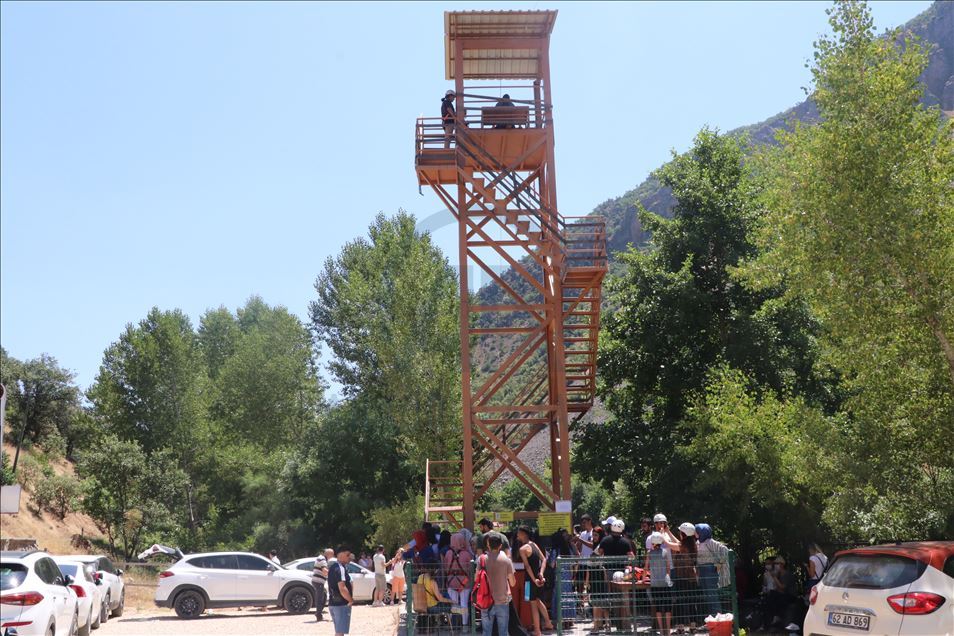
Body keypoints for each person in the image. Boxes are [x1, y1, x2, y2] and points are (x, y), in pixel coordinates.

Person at [516, 526, 553, 636]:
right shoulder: (534, 545)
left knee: (533, 604)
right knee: (537, 601)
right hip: (538, 578)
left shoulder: (522, 549)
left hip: (529, 580)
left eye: (518, 533)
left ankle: (539, 629)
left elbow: (527, 567)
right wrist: (541, 573)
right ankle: (546, 623)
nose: (517, 535)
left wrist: (534, 580)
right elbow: (544, 559)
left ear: (523, 534)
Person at [483, 532, 515, 636]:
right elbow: (513, 582)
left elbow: (476, 579)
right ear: (500, 546)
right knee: (503, 632)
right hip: (502, 600)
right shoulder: (506, 560)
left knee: (487, 632)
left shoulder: (482, 560)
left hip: (486, 600)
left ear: (488, 545)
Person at [695, 523, 729, 619]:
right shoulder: (698, 542)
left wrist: (719, 563)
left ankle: (717, 618)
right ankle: (711, 619)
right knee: (707, 596)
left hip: (710, 570)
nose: (695, 533)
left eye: (697, 531)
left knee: (712, 595)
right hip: (702, 570)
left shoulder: (710, 542)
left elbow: (725, 550)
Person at [443, 531, 474, 627]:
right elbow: (470, 569)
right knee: (464, 603)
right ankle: (464, 625)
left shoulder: (448, 553)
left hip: (451, 582)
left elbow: (445, 568)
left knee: (454, 604)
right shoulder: (467, 554)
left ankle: (454, 624)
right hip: (464, 582)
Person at [646, 532, 675, 636]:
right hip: (665, 583)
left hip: (654, 583)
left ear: (653, 542)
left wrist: (645, 577)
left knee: (658, 607)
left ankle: (662, 631)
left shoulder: (649, 553)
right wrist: (667, 576)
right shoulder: (665, 552)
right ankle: (668, 630)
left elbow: (646, 567)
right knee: (667, 607)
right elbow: (668, 567)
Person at [671, 522, 699, 629]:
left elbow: (671, 544)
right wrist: (667, 531)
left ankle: (680, 627)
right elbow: (676, 542)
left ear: (684, 533)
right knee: (691, 601)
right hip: (691, 578)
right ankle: (693, 626)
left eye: (680, 531)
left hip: (682, 577)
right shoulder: (692, 544)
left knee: (680, 602)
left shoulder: (682, 546)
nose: (679, 533)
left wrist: (661, 538)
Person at [548, 529, 577, 627]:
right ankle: (569, 620)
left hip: (558, 577)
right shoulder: (567, 549)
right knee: (568, 597)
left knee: (558, 598)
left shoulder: (555, 551)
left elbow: (552, 564)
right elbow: (573, 563)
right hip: (568, 576)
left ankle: (560, 620)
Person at [328, 546, 354, 636]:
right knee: (340, 632)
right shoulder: (340, 568)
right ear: (340, 555)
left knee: (338, 631)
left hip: (333, 603)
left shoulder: (332, 567)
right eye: (347, 555)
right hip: (341, 604)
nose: (349, 557)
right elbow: (342, 588)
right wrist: (350, 600)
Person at [312, 550, 330, 621]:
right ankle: (318, 615)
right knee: (320, 599)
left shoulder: (320, 558)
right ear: (328, 554)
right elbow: (324, 570)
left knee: (322, 597)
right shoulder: (322, 559)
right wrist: (332, 573)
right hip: (318, 581)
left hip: (317, 581)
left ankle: (318, 613)